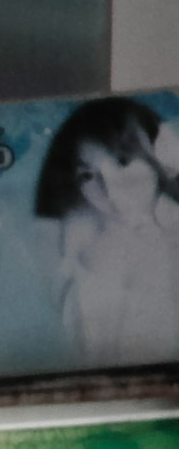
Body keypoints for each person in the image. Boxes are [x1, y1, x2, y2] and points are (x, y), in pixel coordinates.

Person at [37, 97, 179, 369]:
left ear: (156, 156)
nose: (110, 189)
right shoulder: (84, 263)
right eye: (87, 176)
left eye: (123, 161)